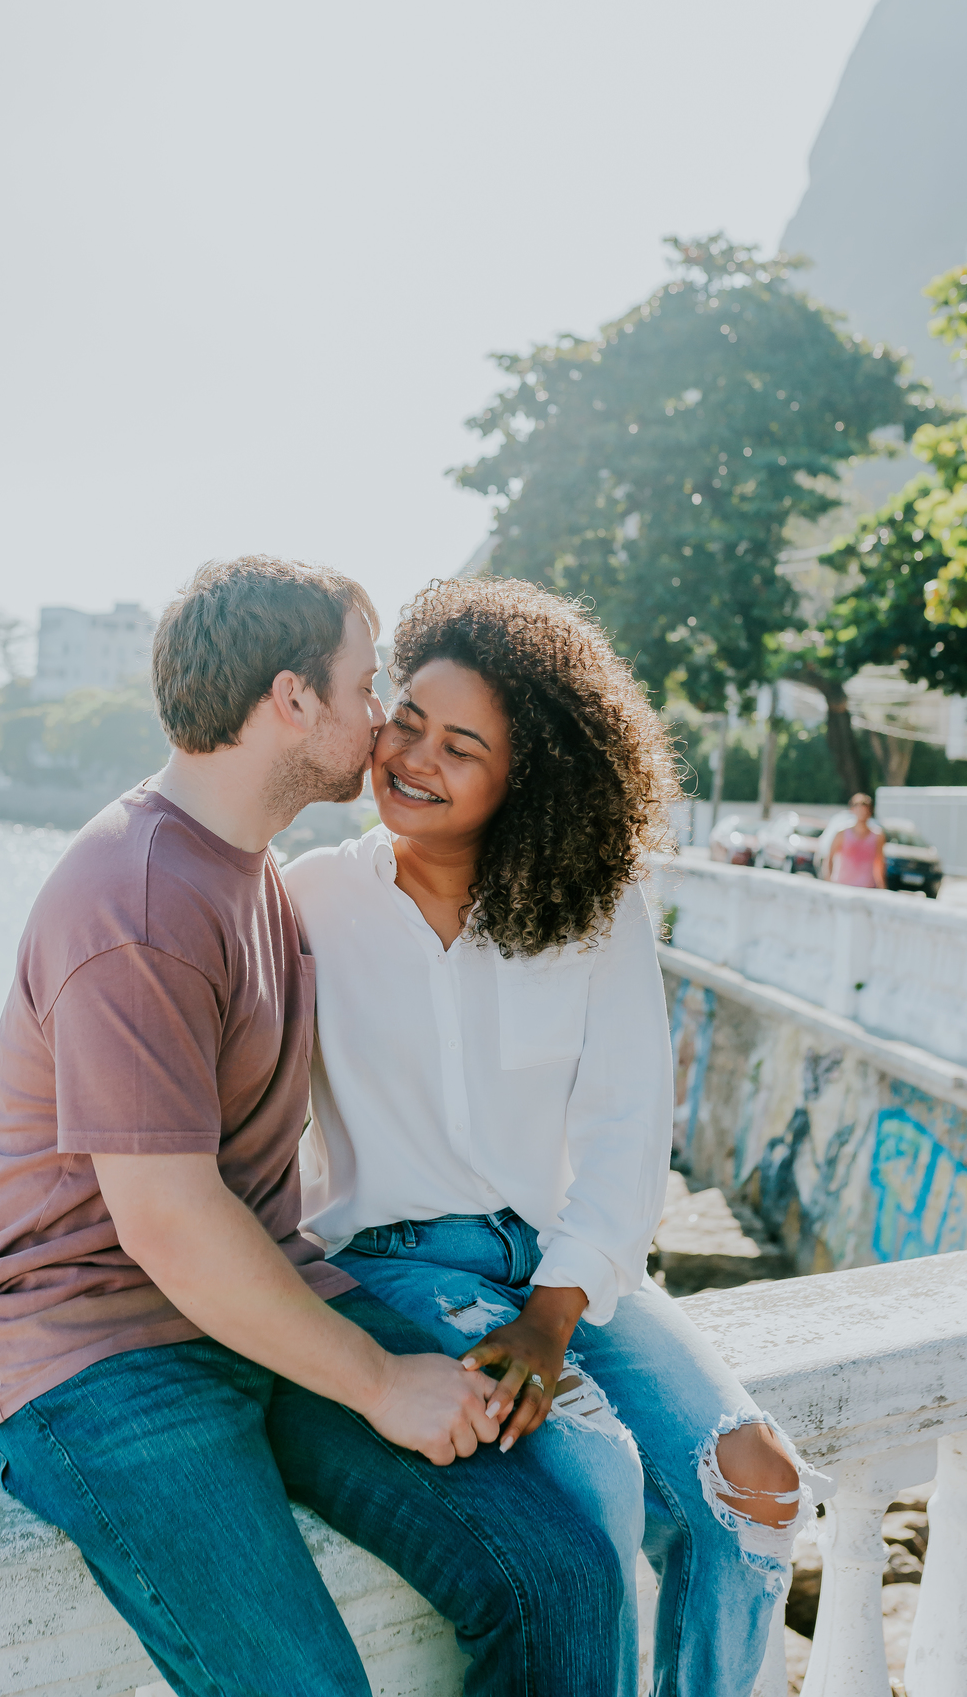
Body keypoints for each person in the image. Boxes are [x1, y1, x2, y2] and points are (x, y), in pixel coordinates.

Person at [0, 555, 626, 1697]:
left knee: (557, 1574)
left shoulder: (255, 875)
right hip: (97, 1353)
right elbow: (164, 1221)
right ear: (292, 699)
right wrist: (379, 1381)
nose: (382, 720)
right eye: (366, 685)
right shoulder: (136, 898)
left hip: (258, 1301)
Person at [283, 577, 817, 1697]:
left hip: (562, 1263)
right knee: (595, 1482)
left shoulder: (590, 899)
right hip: (396, 1264)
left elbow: (629, 1122)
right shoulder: (302, 902)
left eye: (461, 746)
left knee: (757, 1481)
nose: (414, 757)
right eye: (408, 721)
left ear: (524, 777)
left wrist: (554, 1312)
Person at [823, 791, 886, 888]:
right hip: (843, 886)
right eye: (859, 809)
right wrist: (829, 881)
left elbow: (879, 863)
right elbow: (829, 858)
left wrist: (882, 886)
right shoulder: (842, 833)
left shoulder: (877, 836)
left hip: (866, 888)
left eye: (865, 810)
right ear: (853, 810)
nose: (862, 813)